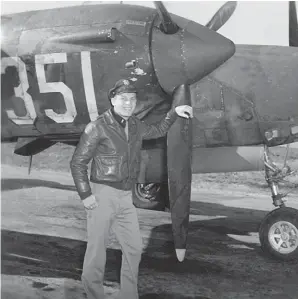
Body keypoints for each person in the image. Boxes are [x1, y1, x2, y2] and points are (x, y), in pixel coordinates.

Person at [70, 79, 193, 299]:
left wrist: (175, 111)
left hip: (126, 196)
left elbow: (158, 130)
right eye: (123, 99)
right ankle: (93, 295)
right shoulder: (97, 127)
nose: (128, 103)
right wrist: (86, 194)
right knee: (97, 252)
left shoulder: (135, 125)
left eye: (132, 99)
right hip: (102, 194)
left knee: (134, 248)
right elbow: (78, 162)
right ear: (113, 100)